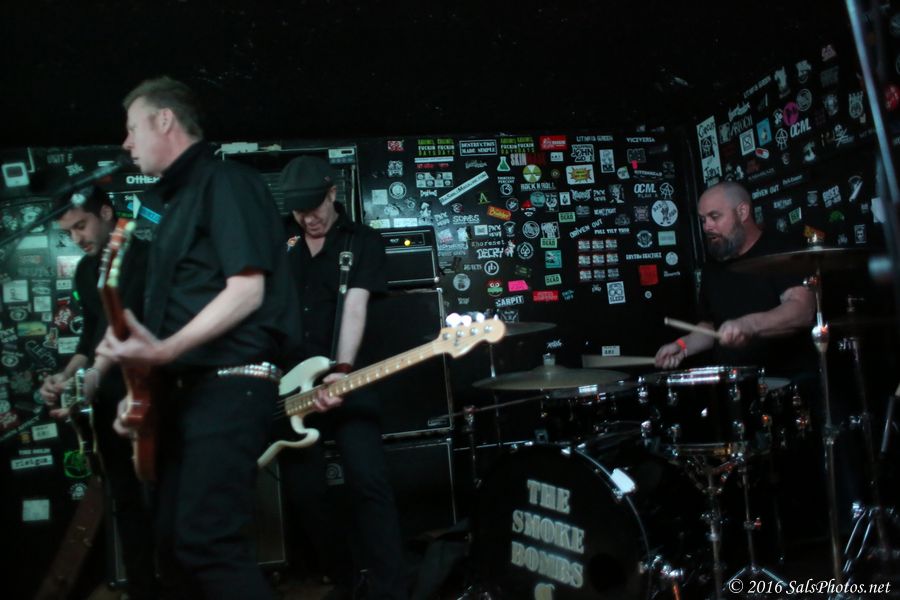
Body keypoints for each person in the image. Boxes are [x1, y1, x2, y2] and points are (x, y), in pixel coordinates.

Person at [97, 76, 303, 600]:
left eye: (132, 128)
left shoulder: (226, 182)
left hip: (231, 383)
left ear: (164, 120)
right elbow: (172, 318)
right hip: (186, 393)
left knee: (206, 543)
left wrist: (163, 350)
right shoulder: (173, 207)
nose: (126, 143)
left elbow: (247, 291)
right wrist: (137, 384)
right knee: (172, 546)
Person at [276, 155, 407, 599]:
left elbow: (355, 307)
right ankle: (349, 581)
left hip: (349, 379)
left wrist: (341, 370)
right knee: (305, 495)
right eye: (299, 211)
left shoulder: (362, 241)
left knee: (369, 482)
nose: (308, 218)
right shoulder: (277, 238)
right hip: (289, 388)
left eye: (314, 207)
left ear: (333, 193)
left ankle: (391, 590)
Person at [40, 185, 158, 600]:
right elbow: (91, 334)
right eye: (68, 232)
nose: (77, 238)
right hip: (108, 400)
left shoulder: (146, 258)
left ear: (106, 213)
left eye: (81, 226)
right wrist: (67, 376)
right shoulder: (86, 271)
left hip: (153, 394)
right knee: (123, 497)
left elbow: (126, 323)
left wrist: (93, 373)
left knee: (166, 497)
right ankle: (143, 590)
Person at [655, 181, 815, 375]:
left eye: (714, 216)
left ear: (742, 212)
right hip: (734, 382)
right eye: (703, 219)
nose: (707, 226)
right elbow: (710, 327)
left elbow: (802, 310)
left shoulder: (781, 250)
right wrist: (683, 346)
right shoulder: (713, 265)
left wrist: (748, 325)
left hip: (784, 379)